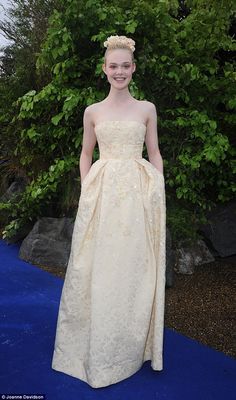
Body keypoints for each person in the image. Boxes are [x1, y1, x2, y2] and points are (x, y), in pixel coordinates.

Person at [52, 34, 166, 389]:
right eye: (113, 66)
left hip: (136, 197)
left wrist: (158, 187)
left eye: (125, 66)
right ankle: (94, 345)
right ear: (104, 70)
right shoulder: (92, 112)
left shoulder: (146, 109)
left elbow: (154, 152)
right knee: (97, 266)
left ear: (133, 68)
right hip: (102, 197)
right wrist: (88, 187)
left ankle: (130, 346)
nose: (119, 71)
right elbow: (86, 153)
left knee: (133, 267)